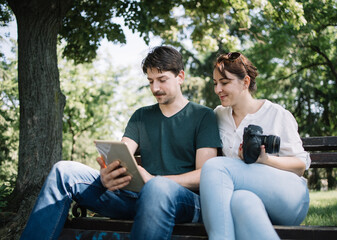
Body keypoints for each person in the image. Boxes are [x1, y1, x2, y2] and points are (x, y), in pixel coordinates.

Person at [20, 46, 222, 240]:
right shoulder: (141, 116)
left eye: (162, 80)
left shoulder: (202, 116)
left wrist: (154, 180)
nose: (155, 88)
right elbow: (121, 153)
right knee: (64, 171)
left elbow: (204, 174)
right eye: (150, 81)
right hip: (135, 198)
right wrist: (109, 173)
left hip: (184, 202)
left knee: (157, 188)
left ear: (180, 77)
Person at [199, 52, 311, 240]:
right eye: (215, 83)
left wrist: (264, 159)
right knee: (240, 201)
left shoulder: (276, 114)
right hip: (250, 196)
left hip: (290, 198)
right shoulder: (218, 115)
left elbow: (300, 166)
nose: (218, 89)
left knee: (214, 167)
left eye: (224, 82)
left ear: (245, 82)